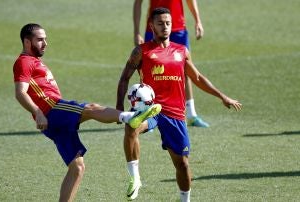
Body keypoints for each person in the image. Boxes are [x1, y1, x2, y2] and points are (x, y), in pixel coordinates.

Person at [13, 23, 161, 202]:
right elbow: (20, 92)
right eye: (40, 40)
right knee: (90, 108)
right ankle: (131, 117)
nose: (45, 43)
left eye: (45, 39)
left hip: (52, 120)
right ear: (27, 42)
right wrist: (37, 112)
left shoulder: (34, 61)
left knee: (77, 167)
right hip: (52, 110)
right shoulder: (24, 62)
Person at [116, 8, 242, 201]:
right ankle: (135, 178)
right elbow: (124, 78)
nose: (165, 27)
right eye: (160, 23)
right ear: (152, 26)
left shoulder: (181, 51)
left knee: (182, 164)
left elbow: (197, 78)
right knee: (131, 126)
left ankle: (185, 199)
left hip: (174, 113)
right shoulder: (142, 51)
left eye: (167, 23)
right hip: (150, 109)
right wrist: (119, 108)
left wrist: (222, 96)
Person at [133, 0, 209, 127]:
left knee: (185, 70)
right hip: (153, 29)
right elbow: (138, 3)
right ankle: (148, 113)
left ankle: (191, 114)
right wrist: (136, 31)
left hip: (178, 28)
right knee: (148, 71)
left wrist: (198, 20)